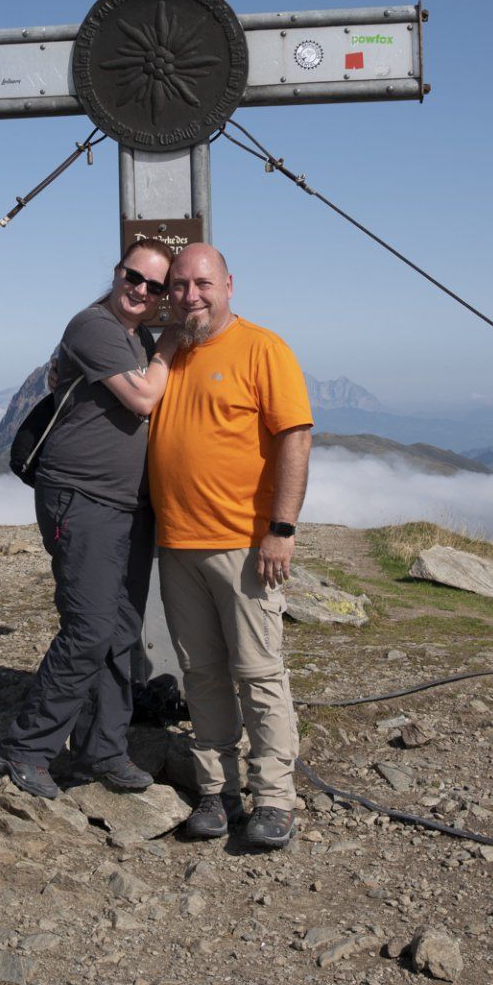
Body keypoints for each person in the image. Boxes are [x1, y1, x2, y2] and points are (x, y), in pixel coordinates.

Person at [0, 238, 182, 799]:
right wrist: (172, 341)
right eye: (134, 276)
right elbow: (143, 399)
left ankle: (104, 749)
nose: (140, 291)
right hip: (81, 498)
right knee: (89, 629)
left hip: (127, 505)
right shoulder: (93, 325)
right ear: (117, 272)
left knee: (121, 631)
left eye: (154, 286)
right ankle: (27, 748)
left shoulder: (136, 336)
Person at [147, 242, 313, 849]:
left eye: (202, 284)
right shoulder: (170, 354)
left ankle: (274, 798)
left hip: (244, 545)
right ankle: (217, 792)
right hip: (177, 544)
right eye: (179, 286)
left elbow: (295, 438)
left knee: (259, 674)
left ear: (228, 285)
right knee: (202, 675)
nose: (190, 295)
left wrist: (281, 530)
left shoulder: (263, 348)